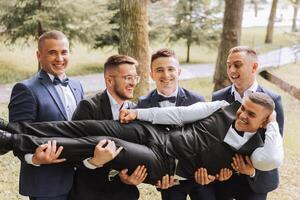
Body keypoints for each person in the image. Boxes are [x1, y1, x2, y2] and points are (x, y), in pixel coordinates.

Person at [0, 93, 283, 186]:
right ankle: (13, 129)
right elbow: (179, 113)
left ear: (263, 121)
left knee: (101, 144)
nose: (243, 114)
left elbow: (272, 160)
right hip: (157, 134)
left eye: (252, 114)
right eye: (244, 107)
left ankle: (13, 142)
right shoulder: (224, 107)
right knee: (87, 125)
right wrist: (139, 113)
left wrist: (272, 126)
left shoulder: (257, 149)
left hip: (165, 164)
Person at [8, 30, 84, 200]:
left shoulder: (77, 86)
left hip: (81, 181)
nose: (59, 58)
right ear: (39, 55)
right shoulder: (26, 89)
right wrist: (35, 158)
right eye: (52, 53)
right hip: (46, 184)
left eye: (64, 52)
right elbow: (18, 137)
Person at [137, 48, 215, 200]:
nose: (166, 75)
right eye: (159, 70)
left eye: (171, 69)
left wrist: (208, 170)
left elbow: (207, 139)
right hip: (168, 179)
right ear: (151, 74)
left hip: (198, 175)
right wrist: (155, 179)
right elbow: (144, 146)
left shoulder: (196, 100)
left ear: (179, 72)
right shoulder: (143, 104)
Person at [212, 46, 284, 200]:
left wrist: (252, 170)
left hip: (256, 179)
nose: (231, 70)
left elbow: (275, 144)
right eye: (228, 65)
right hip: (224, 178)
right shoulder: (218, 97)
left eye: (237, 65)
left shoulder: (273, 100)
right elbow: (214, 138)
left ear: (254, 67)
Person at [68, 54, 143, 200]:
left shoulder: (137, 111)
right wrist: (95, 162)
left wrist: (131, 177)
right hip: (89, 193)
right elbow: (72, 153)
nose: (133, 83)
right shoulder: (88, 107)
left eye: (135, 77)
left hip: (125, 193)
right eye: (128, 77)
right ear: (109, 80)